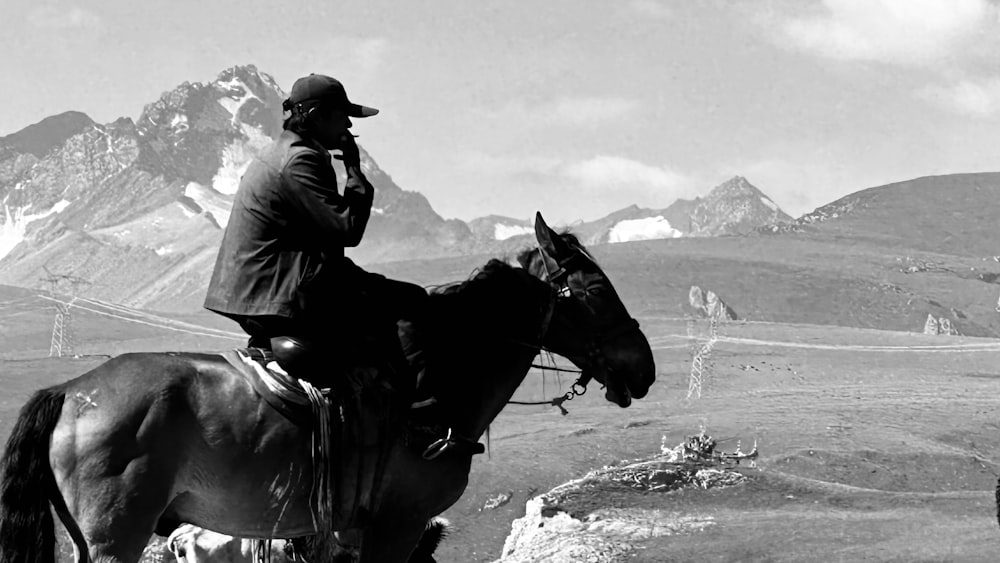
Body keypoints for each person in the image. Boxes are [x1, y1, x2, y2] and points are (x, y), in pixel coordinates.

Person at [204, 73, 428, 392]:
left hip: (264, 287)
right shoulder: (300, 160)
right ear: (316, 116)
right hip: (278, 290)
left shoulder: (282, 153)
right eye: (342, 117)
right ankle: (422, 415)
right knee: (411, 301)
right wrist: (353, 170)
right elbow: (347, 229)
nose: (349, 127)